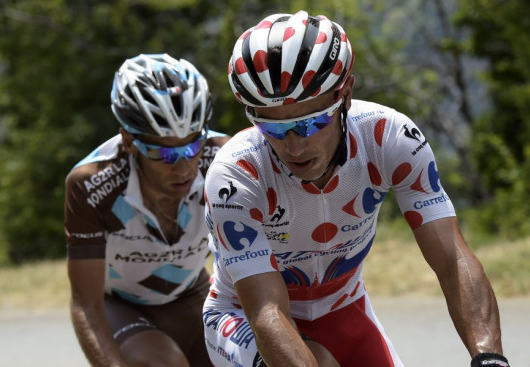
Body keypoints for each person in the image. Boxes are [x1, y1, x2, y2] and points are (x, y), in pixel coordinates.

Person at [202, 10, 509, 367]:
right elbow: (267, 312)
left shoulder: (388, 138)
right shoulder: (236, 174)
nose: (295, 145)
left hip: (343, 306)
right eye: (272, 127)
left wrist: (489, 357)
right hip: (244, 316)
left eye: (312, 122)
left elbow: (452, 260)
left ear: (345, 94)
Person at [65, 53, 230, 367]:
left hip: (191, 294)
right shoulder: (91, 184)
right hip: (121, 307)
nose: (182, 166)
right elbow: (86, 305)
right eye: (163, 152)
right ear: (128, 141)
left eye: (193, 145)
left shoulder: (224, 160)